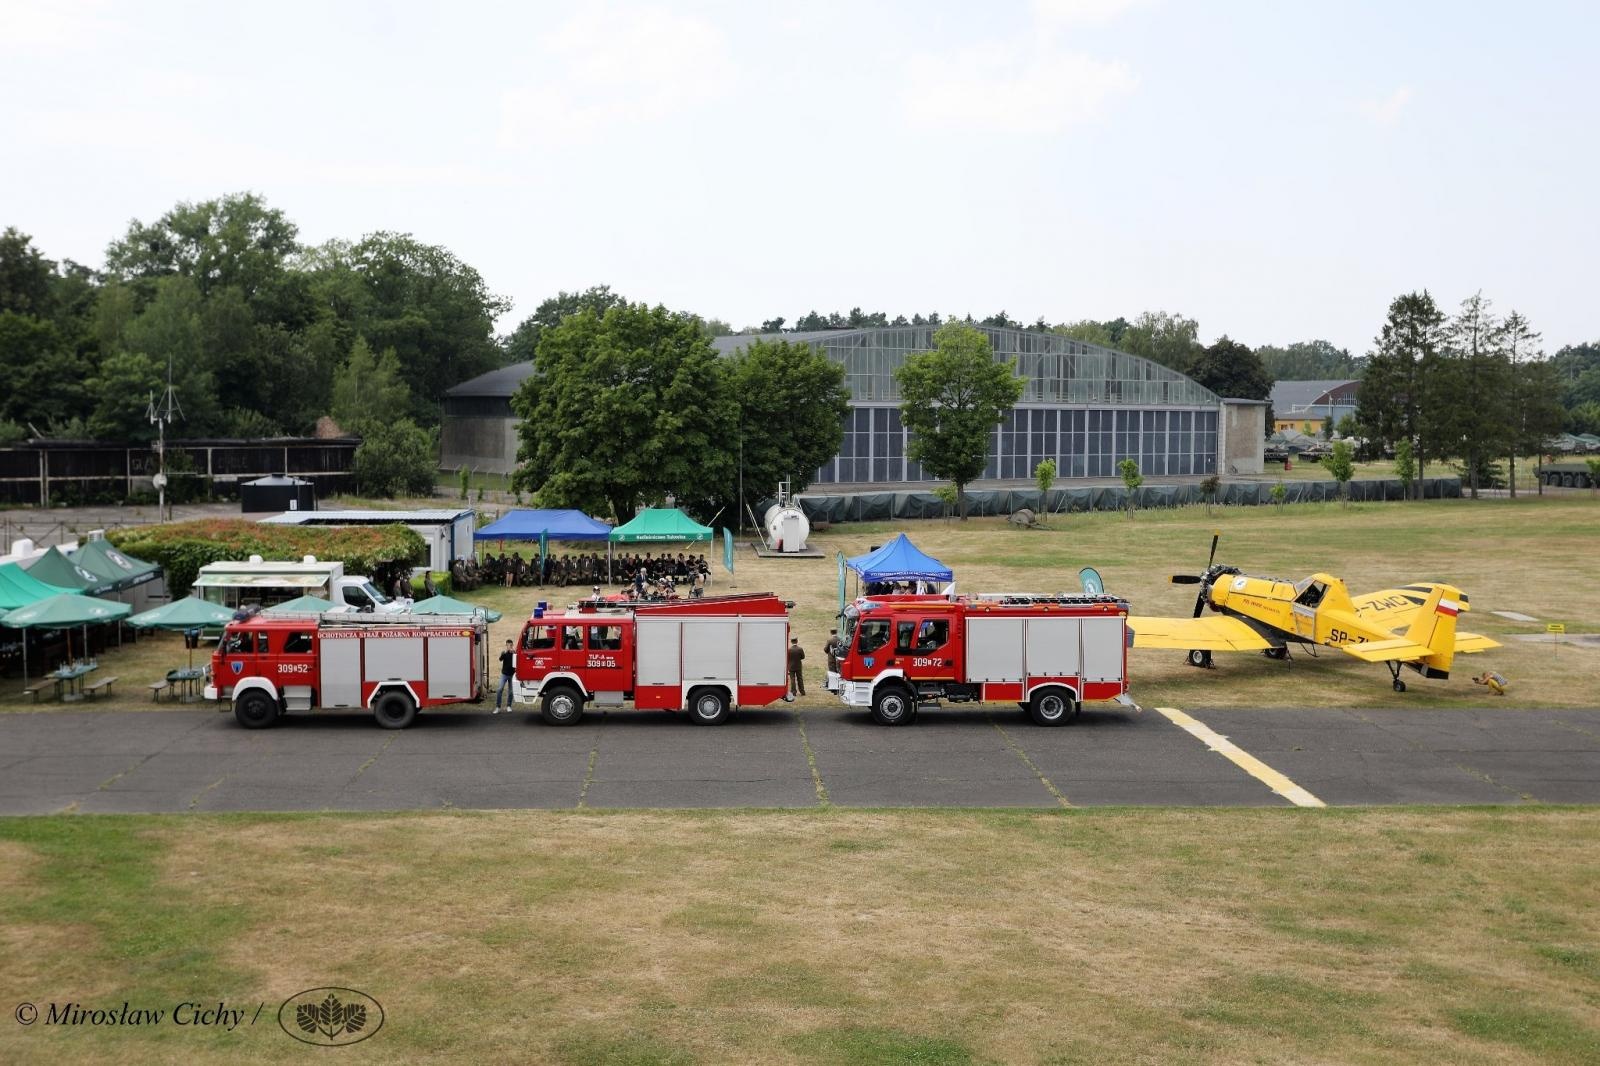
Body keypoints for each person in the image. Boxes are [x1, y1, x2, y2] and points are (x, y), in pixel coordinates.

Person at [493, 639, 516, 713]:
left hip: (512, 675)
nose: (509, 647)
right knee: (499, 689)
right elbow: (500, 659)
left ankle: (509, 706)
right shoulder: (504, 653)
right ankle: (498, 707)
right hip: (504, 674)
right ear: (506, 645)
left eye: (511, 645)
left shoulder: (514, 653)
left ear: (512, 645)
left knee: (511, 691)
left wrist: (514, 653)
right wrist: (504, 653)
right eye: (508, 645)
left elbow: (517, 661)